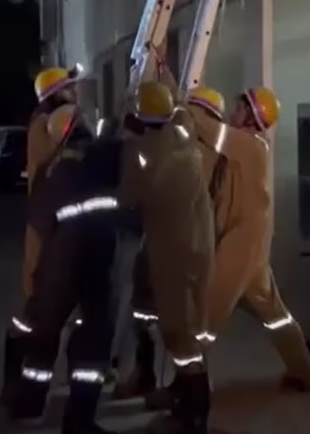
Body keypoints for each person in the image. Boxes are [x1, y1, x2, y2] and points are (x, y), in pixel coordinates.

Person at [4, 105, 137, 433]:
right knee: (93, 340)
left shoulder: (51, 172)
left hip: (56, 264)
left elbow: (39, 223)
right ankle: (79, 419)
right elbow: (129, 210)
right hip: (96, 262)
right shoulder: (102, 162)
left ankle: (28, 404)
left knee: (44, 334)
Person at [192, 85, 310, 392]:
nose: (233, 112)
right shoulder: (244, 147)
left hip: (239, 247)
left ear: (251, 117)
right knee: (274, 315)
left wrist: (179, 101)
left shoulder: (248, 146)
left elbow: (208, 129)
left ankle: (187, 388)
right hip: (251, 248)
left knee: (204, 319)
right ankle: (302, 371)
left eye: (239, 108)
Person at [118, 81, 215, 434]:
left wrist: (128, 144)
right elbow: (181, 111)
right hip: (194, 246)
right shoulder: (186, 133)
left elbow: (128, 197)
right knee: (161, 313)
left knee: (180, 333)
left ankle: (193, 414)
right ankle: (168, 388)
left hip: (173, 252)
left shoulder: (144, 153)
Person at [20, 67, 81, 299]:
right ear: (55, 93)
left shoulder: (44, 119)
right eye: (68, 88)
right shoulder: (49, 121)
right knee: (44, 266)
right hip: (47, 202)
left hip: (45, 201)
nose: (74, 92)